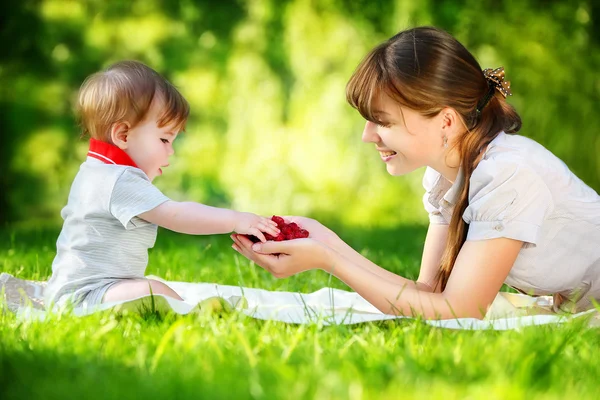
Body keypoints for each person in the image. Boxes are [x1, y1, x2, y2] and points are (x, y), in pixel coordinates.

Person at [231, 26, 600, 320]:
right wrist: (325, 242)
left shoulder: (508, 175)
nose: (367, 136)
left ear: (446, 121)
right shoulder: (444, 178)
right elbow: (431, 296)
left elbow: (461, 310)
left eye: (382, 122)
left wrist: (328, 261)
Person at [45, 60, 280, 310]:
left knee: (151, 286)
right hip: (85, 296)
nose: (171, 151)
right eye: (164, 139)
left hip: (80, 291)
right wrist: (235, 219)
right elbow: (176, 215)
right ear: (123, 135)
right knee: (154, 291)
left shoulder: (97, 170)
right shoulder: (118, 179)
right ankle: (190, 313)